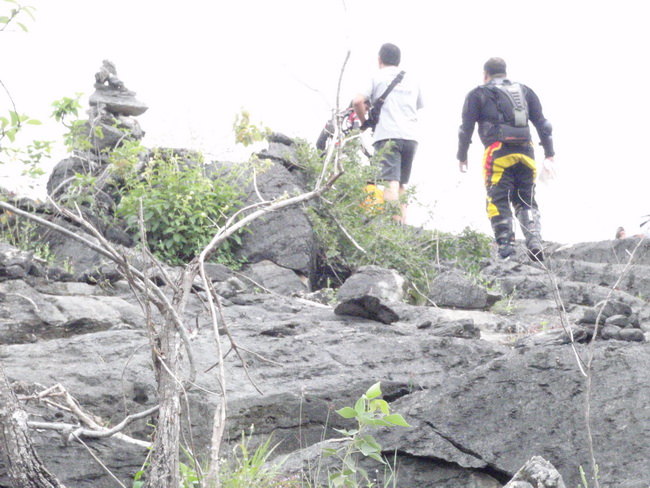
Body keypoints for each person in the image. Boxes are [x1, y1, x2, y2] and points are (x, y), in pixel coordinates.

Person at [457, 57, 555, 261]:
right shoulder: (525, 91)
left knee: (497, 198)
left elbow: (465, 129)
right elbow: (543, 125)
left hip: (497, 152)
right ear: (505, 72)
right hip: (526, 151)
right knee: (525, 198)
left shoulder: (478, 94)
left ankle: (506, 248)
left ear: (485, 75)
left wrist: (462, 155)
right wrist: (549, 153)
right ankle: (534, 241)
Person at [353, 43, 424, 224]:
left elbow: (358, 101)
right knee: (401, 183)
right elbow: (417, 106)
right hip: (411, 137)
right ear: (398, 60)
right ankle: (401, 225)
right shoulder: (412, 79)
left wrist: (364, 122)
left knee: (390, 181)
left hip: (388, 135)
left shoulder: (376, 76)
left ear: (379, 59)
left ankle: (392, 226)